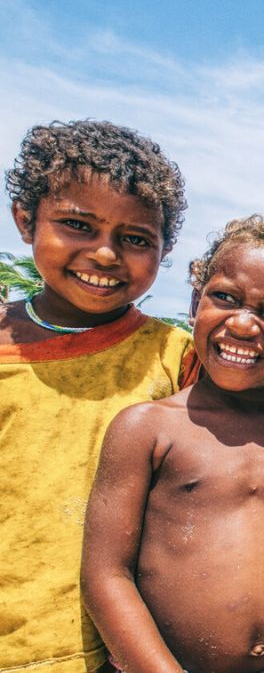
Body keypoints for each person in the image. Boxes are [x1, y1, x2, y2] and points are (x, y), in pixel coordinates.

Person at [80, 215, 264, 672]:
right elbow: (106, 575)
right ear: (195, 304)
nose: (242, 325)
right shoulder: (147, 429)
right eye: (225, 297)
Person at [0, 120, 196, 672]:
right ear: (25, 219)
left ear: (164, 249)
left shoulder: (176, 357)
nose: (106, 254)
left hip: (124, 654)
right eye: (77, 225)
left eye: (135, 239)